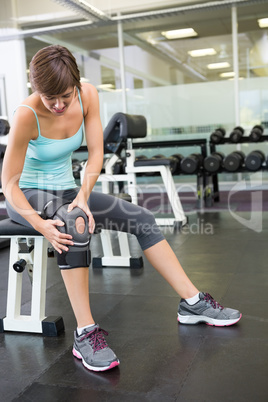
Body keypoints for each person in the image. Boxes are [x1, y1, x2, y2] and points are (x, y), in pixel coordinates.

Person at [1, 45, 241, 373]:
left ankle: (192, 303)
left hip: (68, 189)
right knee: (76, 222)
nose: (58, 105)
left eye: (65, 97)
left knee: (141, 217)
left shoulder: (87, 95)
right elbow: (9, 185)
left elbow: (96, 152)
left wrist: (83, 194)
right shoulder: (26, 115)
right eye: (49, 98)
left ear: (77, 85)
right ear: (35, 89)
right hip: (27, 196)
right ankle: (85, 333)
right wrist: (40, 224)